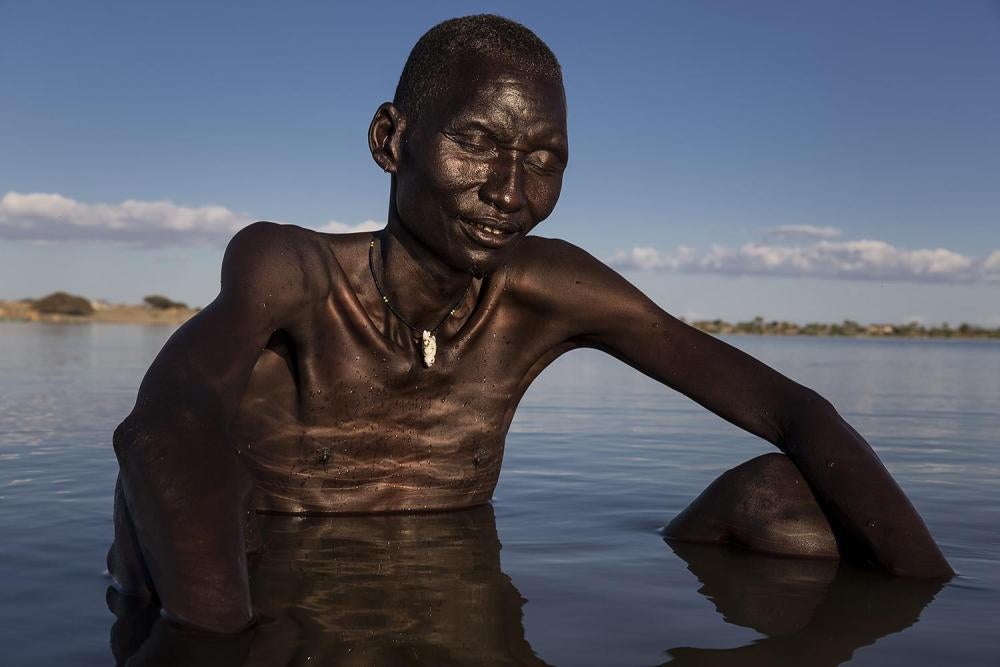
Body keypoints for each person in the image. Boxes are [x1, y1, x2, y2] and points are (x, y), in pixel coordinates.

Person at [108, 14, 953, 634]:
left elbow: (793, 410)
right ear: (391, 139)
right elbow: (165, 425)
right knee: (191, 481)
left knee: (786, 497)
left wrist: (933, 611)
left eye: (544, 159)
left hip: (464, 618)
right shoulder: (291, 272)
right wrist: (211, 644)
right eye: (477, 142)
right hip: (289, 617)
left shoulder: (548, 288)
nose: (511, 191)